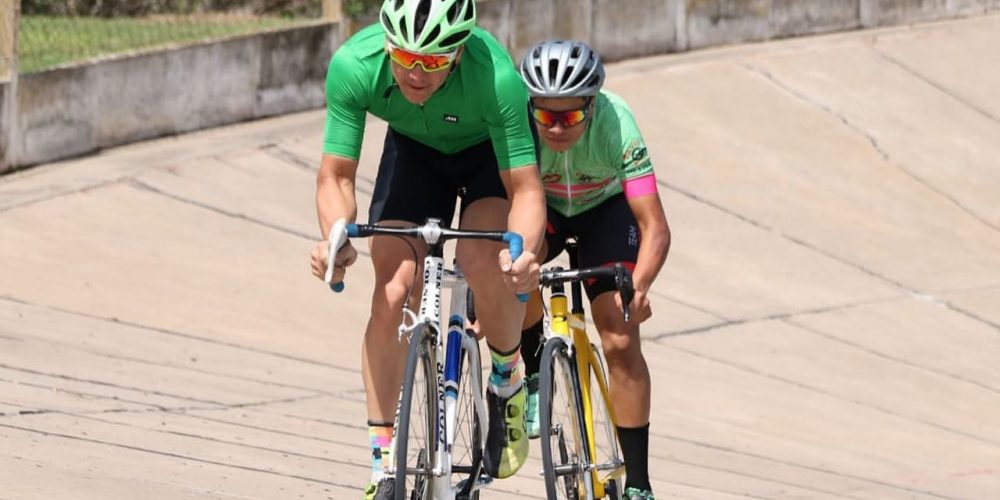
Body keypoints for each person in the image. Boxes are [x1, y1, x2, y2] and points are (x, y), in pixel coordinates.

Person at [308, 1, 546, 498]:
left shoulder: (495, 76)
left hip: (489, 156)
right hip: (415, 153)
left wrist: (522, 255)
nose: (416, 72)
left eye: (435, 61)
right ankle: (381, 465)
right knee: (392, 291)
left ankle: (507, 378)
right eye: (405, 57)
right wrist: (337, 237)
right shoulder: (355, 65)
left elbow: (524, 190)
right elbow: (337, 176)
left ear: (457, 55)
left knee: (483, 260)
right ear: (387, 44)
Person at [517, 40, 671, 500]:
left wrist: (639, 288)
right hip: (544, 211)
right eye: (546, 115)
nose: (557, 128)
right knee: (517, 275)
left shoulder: (616, 123)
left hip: (604, 213)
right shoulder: (518, 122)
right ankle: (530, 372)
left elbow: (655, 227)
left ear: (592, 104)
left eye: (569, 117)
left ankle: (639, 484)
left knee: (619, 336)